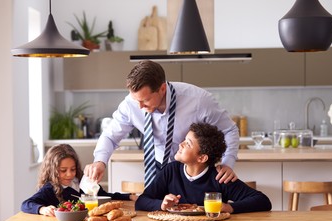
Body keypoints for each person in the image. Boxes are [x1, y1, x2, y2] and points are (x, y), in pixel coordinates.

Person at [84, 60, 240, 186]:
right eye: (135, 100)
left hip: (194, 170)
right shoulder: (130, 105)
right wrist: (99, 162)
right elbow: (110, 137)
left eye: (145, 100)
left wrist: (227, 163)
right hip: (157, 168)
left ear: (162, 89)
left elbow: (229, 130)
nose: (140, 107)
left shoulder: (199, 101)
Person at [135, 123, 272, 221]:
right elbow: (141, 201)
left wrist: (229, 207)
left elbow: (263, 201)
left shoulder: (219, 177)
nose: (181, 144)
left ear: (202, 158)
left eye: (187, 144)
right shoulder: (171, 170)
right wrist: (162, 205)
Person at [21, 144, 135, 221]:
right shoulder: (50, 189)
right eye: (63, 170)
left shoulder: (83, 183)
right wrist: (42, 209)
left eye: (73, 169)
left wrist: (128, 197)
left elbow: (104, 195)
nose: (69, 174)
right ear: (52, 170)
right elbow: (26, 204)